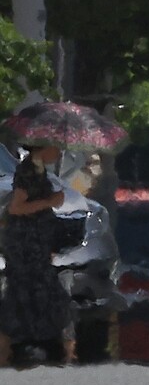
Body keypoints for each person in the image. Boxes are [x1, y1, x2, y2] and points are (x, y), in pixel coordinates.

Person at [0, 145, 76, 366]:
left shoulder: (41, 170)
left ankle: (60, 351)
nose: (60, 152)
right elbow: (16, 208)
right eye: (56, 147)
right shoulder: (27, 171)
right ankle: (65, 351)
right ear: (43, 147)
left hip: (37, 244)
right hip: (24, 246)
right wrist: (49, 201)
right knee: (28, 293)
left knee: (31, 293)